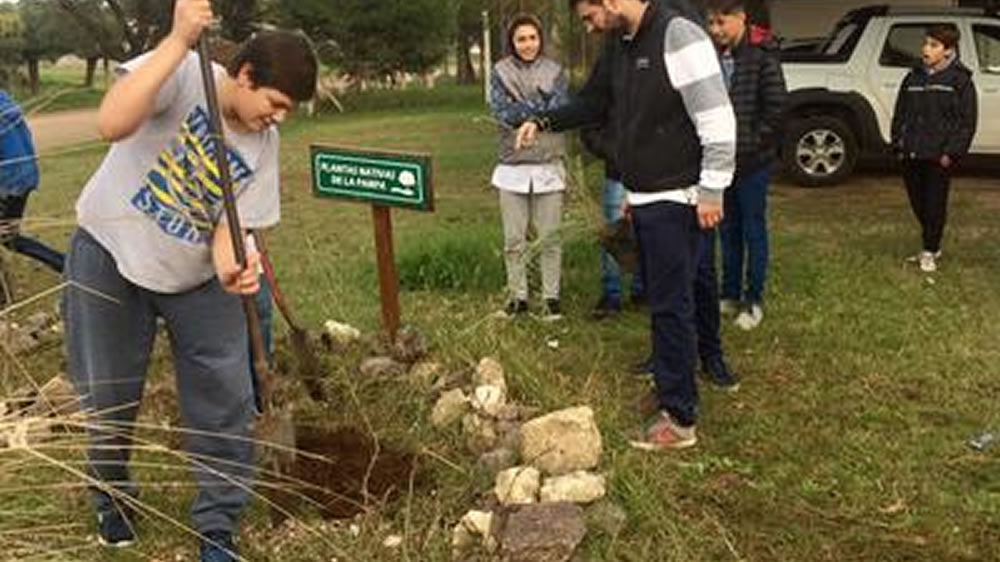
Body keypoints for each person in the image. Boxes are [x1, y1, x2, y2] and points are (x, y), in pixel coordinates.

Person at [60, 1, 317, 560]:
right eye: (275, 104)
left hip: (197, 277)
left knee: (224, 395)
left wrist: (230, 268)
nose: (278, 118)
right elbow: (112, 123)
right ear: (245, 76)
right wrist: (177, 39)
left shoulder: (261, 145)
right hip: (110, 253)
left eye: (288, 110)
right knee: (107, 392)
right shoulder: (182, 71)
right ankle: (111, 499)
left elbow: (231, 225)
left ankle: (217, 526)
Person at [517, 0, 736, 450]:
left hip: (680, 198)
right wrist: (541, 121)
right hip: (648, 195)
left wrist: (713, 189)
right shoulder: (625, 42)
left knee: (673, 304)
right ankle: (671, 387)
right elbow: (596, 104)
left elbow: (717, 116)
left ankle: (679, 419)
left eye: (592, 13)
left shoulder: (678, 33)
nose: (592, 24)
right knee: (663, 302)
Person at [706, 0, 786, 330]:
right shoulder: (714, 57)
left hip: (752, 162)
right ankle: (728, 293)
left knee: (753, 230)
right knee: (728, 230)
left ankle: (753, 300)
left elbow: (777, 108)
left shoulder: (762, 56)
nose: (716, 30)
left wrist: (751, 143)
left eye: (721, 22)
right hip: (722, 164)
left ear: (740, 18)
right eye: (711, 24)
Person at [489, 13, 570, 321]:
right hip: (512, 166)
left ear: (540, 39)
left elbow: (559, 108)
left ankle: (551, 298)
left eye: (532, 38)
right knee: (514, 238)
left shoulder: (555, 71)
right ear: (512, 41)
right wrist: (539, 103)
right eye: (521, 38)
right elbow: (501, 111)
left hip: (548, 164)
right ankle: (517, 297)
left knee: (550, 237)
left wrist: (524, 104)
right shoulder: (499, 71)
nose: (527, 44)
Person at [891, 24, 977, 273]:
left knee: (934, 204)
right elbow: (900, 113)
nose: (925, 49)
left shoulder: (960, 81)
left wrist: (951, 152)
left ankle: (929, 250)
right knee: (918, 203)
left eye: (933, 45)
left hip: (938, 156)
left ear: (948, 51)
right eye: (926, 43)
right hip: (911, 152)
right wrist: (898, 142)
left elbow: (966, 122)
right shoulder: (913, 76)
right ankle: (932, 241)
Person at [581, 116, 645, 319]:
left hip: (652, 174)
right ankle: (611, 294)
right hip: (617, 173)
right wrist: (612, 151)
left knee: (648, 230)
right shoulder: (609, 83)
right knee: (614, 232)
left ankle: (643, 290)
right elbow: (590, 119)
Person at [0, 90, 66, 276]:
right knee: (9, 237)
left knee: (8, 237)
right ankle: (65, 265)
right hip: (24, 174)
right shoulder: (3, 98)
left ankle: (66, 265)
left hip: (9, 180)